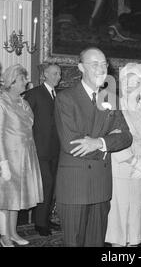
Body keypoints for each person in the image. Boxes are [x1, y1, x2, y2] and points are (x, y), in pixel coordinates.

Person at [54, 47, 132, 247]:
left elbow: (126, 137)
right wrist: (108, 141)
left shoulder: (110, 98)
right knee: (75, 243)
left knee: (96, 243)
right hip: (75, 186)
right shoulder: (66, 98)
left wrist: (98, 142)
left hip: (101, 184)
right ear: (81, 67)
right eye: (94, 64)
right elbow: (73, 145)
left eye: (104, 63)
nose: (101, 68)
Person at [105, 63, 141, 247]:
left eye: (136, 82)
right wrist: (138, 163)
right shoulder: (114, 107)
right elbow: (114, 140)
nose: (131, 85)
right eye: (127, 81)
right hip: (121, 173)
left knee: (135, 231)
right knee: (120, 232)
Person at [0, 64, 43, 247]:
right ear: (13, 81)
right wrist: (3, 163)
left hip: (25, 157)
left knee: (16, 199)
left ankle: (13, 232)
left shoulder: (23, 102)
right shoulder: (2, 102)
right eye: (23, 79)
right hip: (8, 157)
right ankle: (4, 237)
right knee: (6, 200)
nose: (27, 81)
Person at [24, 63, 61, 236]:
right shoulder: (34, 94)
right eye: (54, 74)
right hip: (39, 149)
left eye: (59, 74)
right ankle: (40, 224)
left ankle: (46, 219)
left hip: (56, 149)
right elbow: (24, 122)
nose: (58, 77)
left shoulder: (59, 95)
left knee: (52, 186)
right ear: (45, 75)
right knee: (46, 184)